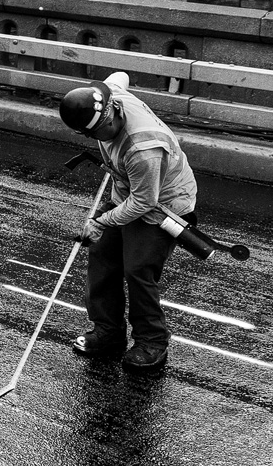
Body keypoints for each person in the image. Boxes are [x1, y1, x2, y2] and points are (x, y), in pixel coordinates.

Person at [58, 71, 198, 375]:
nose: (109, 131)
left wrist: (101, 220)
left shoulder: (143, 148)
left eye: (109, 125)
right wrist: (105, 225)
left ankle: (152, 341)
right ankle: (108, 331)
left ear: (114, 110)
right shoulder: (108, 95)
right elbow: (120, 75)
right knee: (102, 255)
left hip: (165, 204)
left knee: (138, 268)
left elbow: (143, 202)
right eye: (99, 132)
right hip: (127, 190)